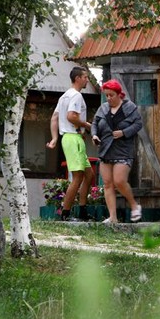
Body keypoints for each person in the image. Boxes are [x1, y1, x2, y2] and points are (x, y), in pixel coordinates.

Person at [46, 66, 95, 221]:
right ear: (78, 78)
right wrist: (87, 125)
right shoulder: (76, 96)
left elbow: (54, 118)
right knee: (78, 177)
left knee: (89, 174)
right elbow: (71, 117)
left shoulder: (64, 96)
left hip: (69, 138)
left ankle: (82, 211)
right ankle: (66, 214)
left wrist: (54, 138)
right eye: (85, 77)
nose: (87, 79)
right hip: (73, 138)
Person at [91, 79, 142, 224]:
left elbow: (138, 124)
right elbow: (94, 123)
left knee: (119, 181)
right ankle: (113, 218)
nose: (108, 98)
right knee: (107, 184)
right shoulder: (103, 108)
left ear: (119, 94)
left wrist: (124, 132)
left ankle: (134, 205)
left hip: (123, 150)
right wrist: (94, 135)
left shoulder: (129, 107)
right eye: (106, 95)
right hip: (106, 149)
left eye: (111, 95)